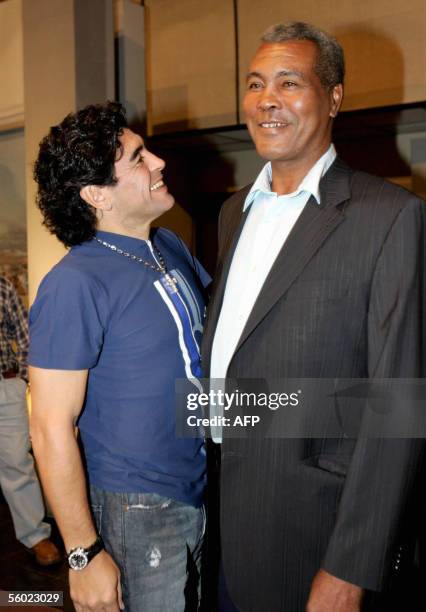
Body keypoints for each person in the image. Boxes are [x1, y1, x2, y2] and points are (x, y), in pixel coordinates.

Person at [201, 21, 425, 612]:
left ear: (334, 98)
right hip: (217, 520)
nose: (265, 100)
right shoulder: (232, 214)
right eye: (254, 84)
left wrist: (350, 567)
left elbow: (397, 403)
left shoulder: (389, 216)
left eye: (288, 82)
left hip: (313, 533)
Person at [29, 102, 209, 611]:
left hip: (193, 486)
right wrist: (83, 554)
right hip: (135, 506)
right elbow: (48, 428)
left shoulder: (167, 246)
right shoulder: (73, 283)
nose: (158, 162)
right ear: (96, 195)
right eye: (137, 158)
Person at [0, 275, 61, 566]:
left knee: (17, 463)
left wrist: (20, 379)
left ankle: (36, 536)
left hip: (4, 386)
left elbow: (24, 335)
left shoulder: (2, 286)